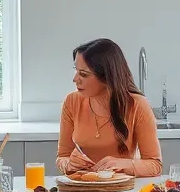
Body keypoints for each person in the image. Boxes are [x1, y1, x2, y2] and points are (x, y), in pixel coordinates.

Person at [56, 38, 162, 177]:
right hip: (82, 187)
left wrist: (123, 164)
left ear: (107, 77)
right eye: (76, 71)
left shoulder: (137, 105)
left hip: (122, 190)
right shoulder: (72, 101)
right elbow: (62, 157)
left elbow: (155, 165)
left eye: (84, 74)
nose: (75, 79)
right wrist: (69, 164)